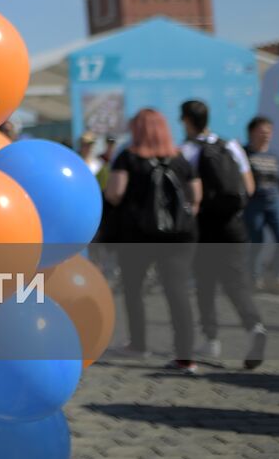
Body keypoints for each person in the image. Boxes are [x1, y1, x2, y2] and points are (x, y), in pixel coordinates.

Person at [103, 108, 200, 373]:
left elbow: (114, 193)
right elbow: (195, 196)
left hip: (138, 236)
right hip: (180, 237)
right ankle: (185, 357)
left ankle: (138, 344)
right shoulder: (180, 159)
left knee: (134, 290)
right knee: (177, 292)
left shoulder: (128, 157)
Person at [179, 99, 266, 369]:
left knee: (204, 284)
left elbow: (190, 194)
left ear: (186, 121)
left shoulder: (188, 151)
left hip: (205, 228)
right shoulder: (231, 146)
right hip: (233, 226)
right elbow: (249, 188)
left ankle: (211, 338)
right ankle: (254, 327)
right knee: (236, 282)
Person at [243, 116, 279, 295]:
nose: (267, 135)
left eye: (269, 131)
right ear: (253, 132)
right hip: (254, 205)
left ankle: (278, 278)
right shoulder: (245, 154)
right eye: (263, 131)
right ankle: (254, 278)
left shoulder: (273, 155)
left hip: (274, 202)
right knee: (257, 241)